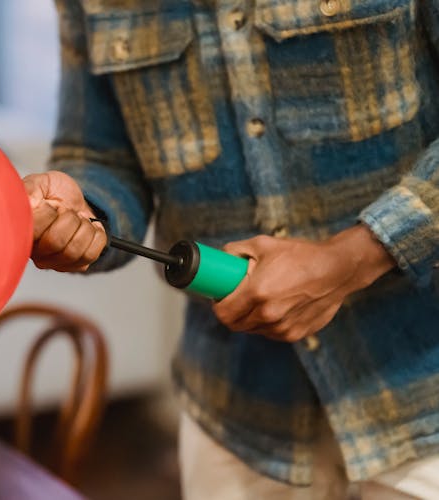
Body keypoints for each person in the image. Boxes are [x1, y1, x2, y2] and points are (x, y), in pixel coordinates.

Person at [24, 0, 439, 498]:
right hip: (235, 413)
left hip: (422, 400)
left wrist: (358, 254)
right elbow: (97, 152)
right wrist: (82, 212)